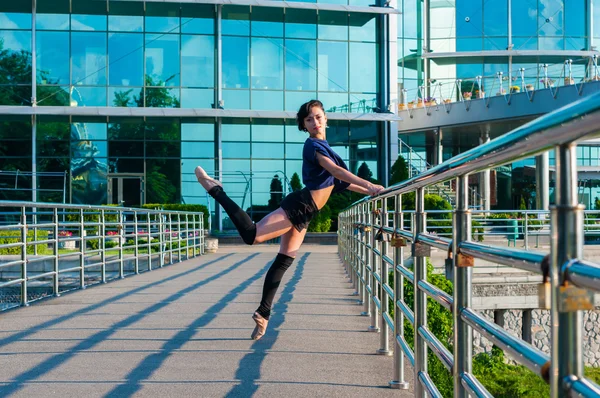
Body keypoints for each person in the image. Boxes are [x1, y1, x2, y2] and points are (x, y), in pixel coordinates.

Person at [195, 99, 384, 340]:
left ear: (326, 118)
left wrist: (372, 191)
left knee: (284, 260)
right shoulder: (312, 146)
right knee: (252, 235)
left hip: (307, 211)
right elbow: (335, 172)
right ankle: (215, 190)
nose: (314, 122)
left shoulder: (327, 146)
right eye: (309, 119)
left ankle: (263, 314)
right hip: (300, 204)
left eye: (317, 117)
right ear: (304, 126)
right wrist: (369, 184)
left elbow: (342, 182)